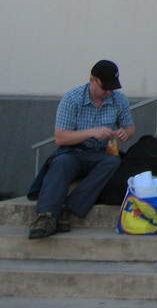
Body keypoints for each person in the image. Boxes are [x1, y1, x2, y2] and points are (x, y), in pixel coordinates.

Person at [27, 59, 135, 239]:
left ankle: (69, 208)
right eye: (104, 87)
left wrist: (125, 133)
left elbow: (130, 128)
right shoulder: (72, 98)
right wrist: (92, 132)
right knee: (61, 163)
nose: (108, 92)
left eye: (112, 88)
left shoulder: (119, 99)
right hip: (72, 151)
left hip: (101, 153)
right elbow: (61, 138)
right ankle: (46, 215)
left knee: (113, 162)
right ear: (93, 80)